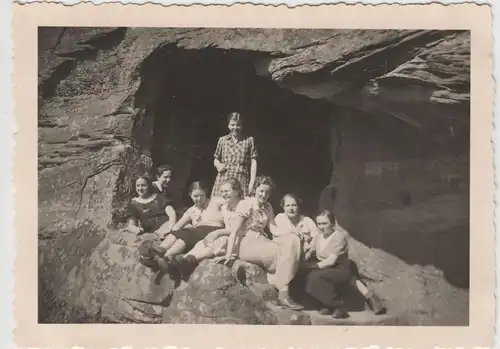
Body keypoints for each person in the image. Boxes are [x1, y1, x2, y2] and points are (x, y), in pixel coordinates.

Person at [214, 176, 304, 310]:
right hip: (246, 243)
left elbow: (273, 228)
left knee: (292, 240)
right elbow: (234, 231)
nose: (264, 195)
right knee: (280, 252)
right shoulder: (246, 204)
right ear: (255, 190)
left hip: (262, 241)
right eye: (261, 191)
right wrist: (229, 255)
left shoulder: (268, 206)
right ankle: (283, 293)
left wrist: (291, 232)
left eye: (267, 192)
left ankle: (278, 284)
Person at [166, 178, 246, 277]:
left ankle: (188, 259)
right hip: (211, 233)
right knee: (197, 242)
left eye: (227, 191)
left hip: (226, 233)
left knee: (213, 243)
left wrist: (218, 232)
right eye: (222, 192)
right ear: (190, 195)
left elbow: (231, 205)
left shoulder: (238, 205)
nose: (224, 194)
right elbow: (177, 226)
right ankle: (178, 259)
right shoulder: (222, 208)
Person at [137, 181, 225, 269]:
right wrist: (167, 232)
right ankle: (160, 250)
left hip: (213, 230)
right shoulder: (191, 210)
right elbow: (177, 226)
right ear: (190, 195)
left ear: (206, 192)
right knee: (176, 233)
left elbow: (231, 201)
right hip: (196, 232)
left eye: (201, 195)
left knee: (186, 236)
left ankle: (166, 257)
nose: (199, 199)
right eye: (195, 196)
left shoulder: (214, 201)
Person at [293, 209, 352, 319]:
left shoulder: (339, 236)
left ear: (332, 223)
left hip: (339, 270)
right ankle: (326, 304)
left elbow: (331, 261)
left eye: (325, 223)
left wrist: (308, 266)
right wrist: (305, 255)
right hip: (325, 268)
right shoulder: (319, 236)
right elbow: (311, 250)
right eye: (319, 224)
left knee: (315, 276)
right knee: (304, 273)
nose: (321, 227)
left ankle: (339, 305)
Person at [211, 112, 258, 198]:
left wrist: (252, 183)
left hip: (241, 177)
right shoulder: (222, 140)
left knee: (240, 205)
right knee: (220, 204)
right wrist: (218, 165)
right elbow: (216, 159)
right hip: (224, 177)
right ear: (228, 125)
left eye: (238, 125)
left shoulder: (249, 140)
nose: (235, 128)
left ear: (242, 126)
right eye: (232, 125)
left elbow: (253, 162)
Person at [274, 193, 319, 260]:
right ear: (283, 207)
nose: (291, 208)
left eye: (294, 205)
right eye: (287, 205)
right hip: (284, 257)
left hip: (305, 257)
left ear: (298, 206)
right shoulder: (279, 219)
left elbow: (317, 237)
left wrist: (310, 251)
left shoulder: (307, 220)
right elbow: (275, 239)